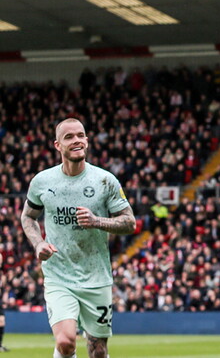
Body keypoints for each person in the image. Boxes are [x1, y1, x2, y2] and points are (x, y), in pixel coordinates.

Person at [20, 118, 135, 358]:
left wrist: (96, 221)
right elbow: (28, 216)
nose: (77, 140)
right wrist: (38, 243)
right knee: (65, 342)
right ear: (57, 145)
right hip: (59, 274)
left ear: (87, 141)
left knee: (98, 351)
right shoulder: (42, 181)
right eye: (69, 137)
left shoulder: (105, 181)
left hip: (97, 276)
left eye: (80, 135)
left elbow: (129, 222)